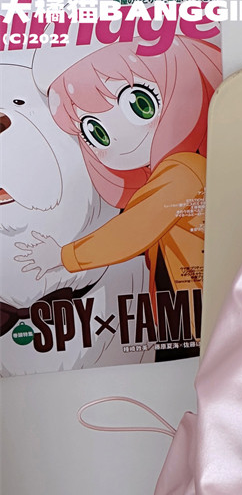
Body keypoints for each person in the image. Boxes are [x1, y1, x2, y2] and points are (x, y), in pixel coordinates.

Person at [15, 36, 221, 358]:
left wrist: (63, 256)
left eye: (139, 104)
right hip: (184, 313)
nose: (119, 138)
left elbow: (133, 231)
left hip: (202, 317)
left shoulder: (184, 169)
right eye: (94, 130)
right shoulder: (174, 172)